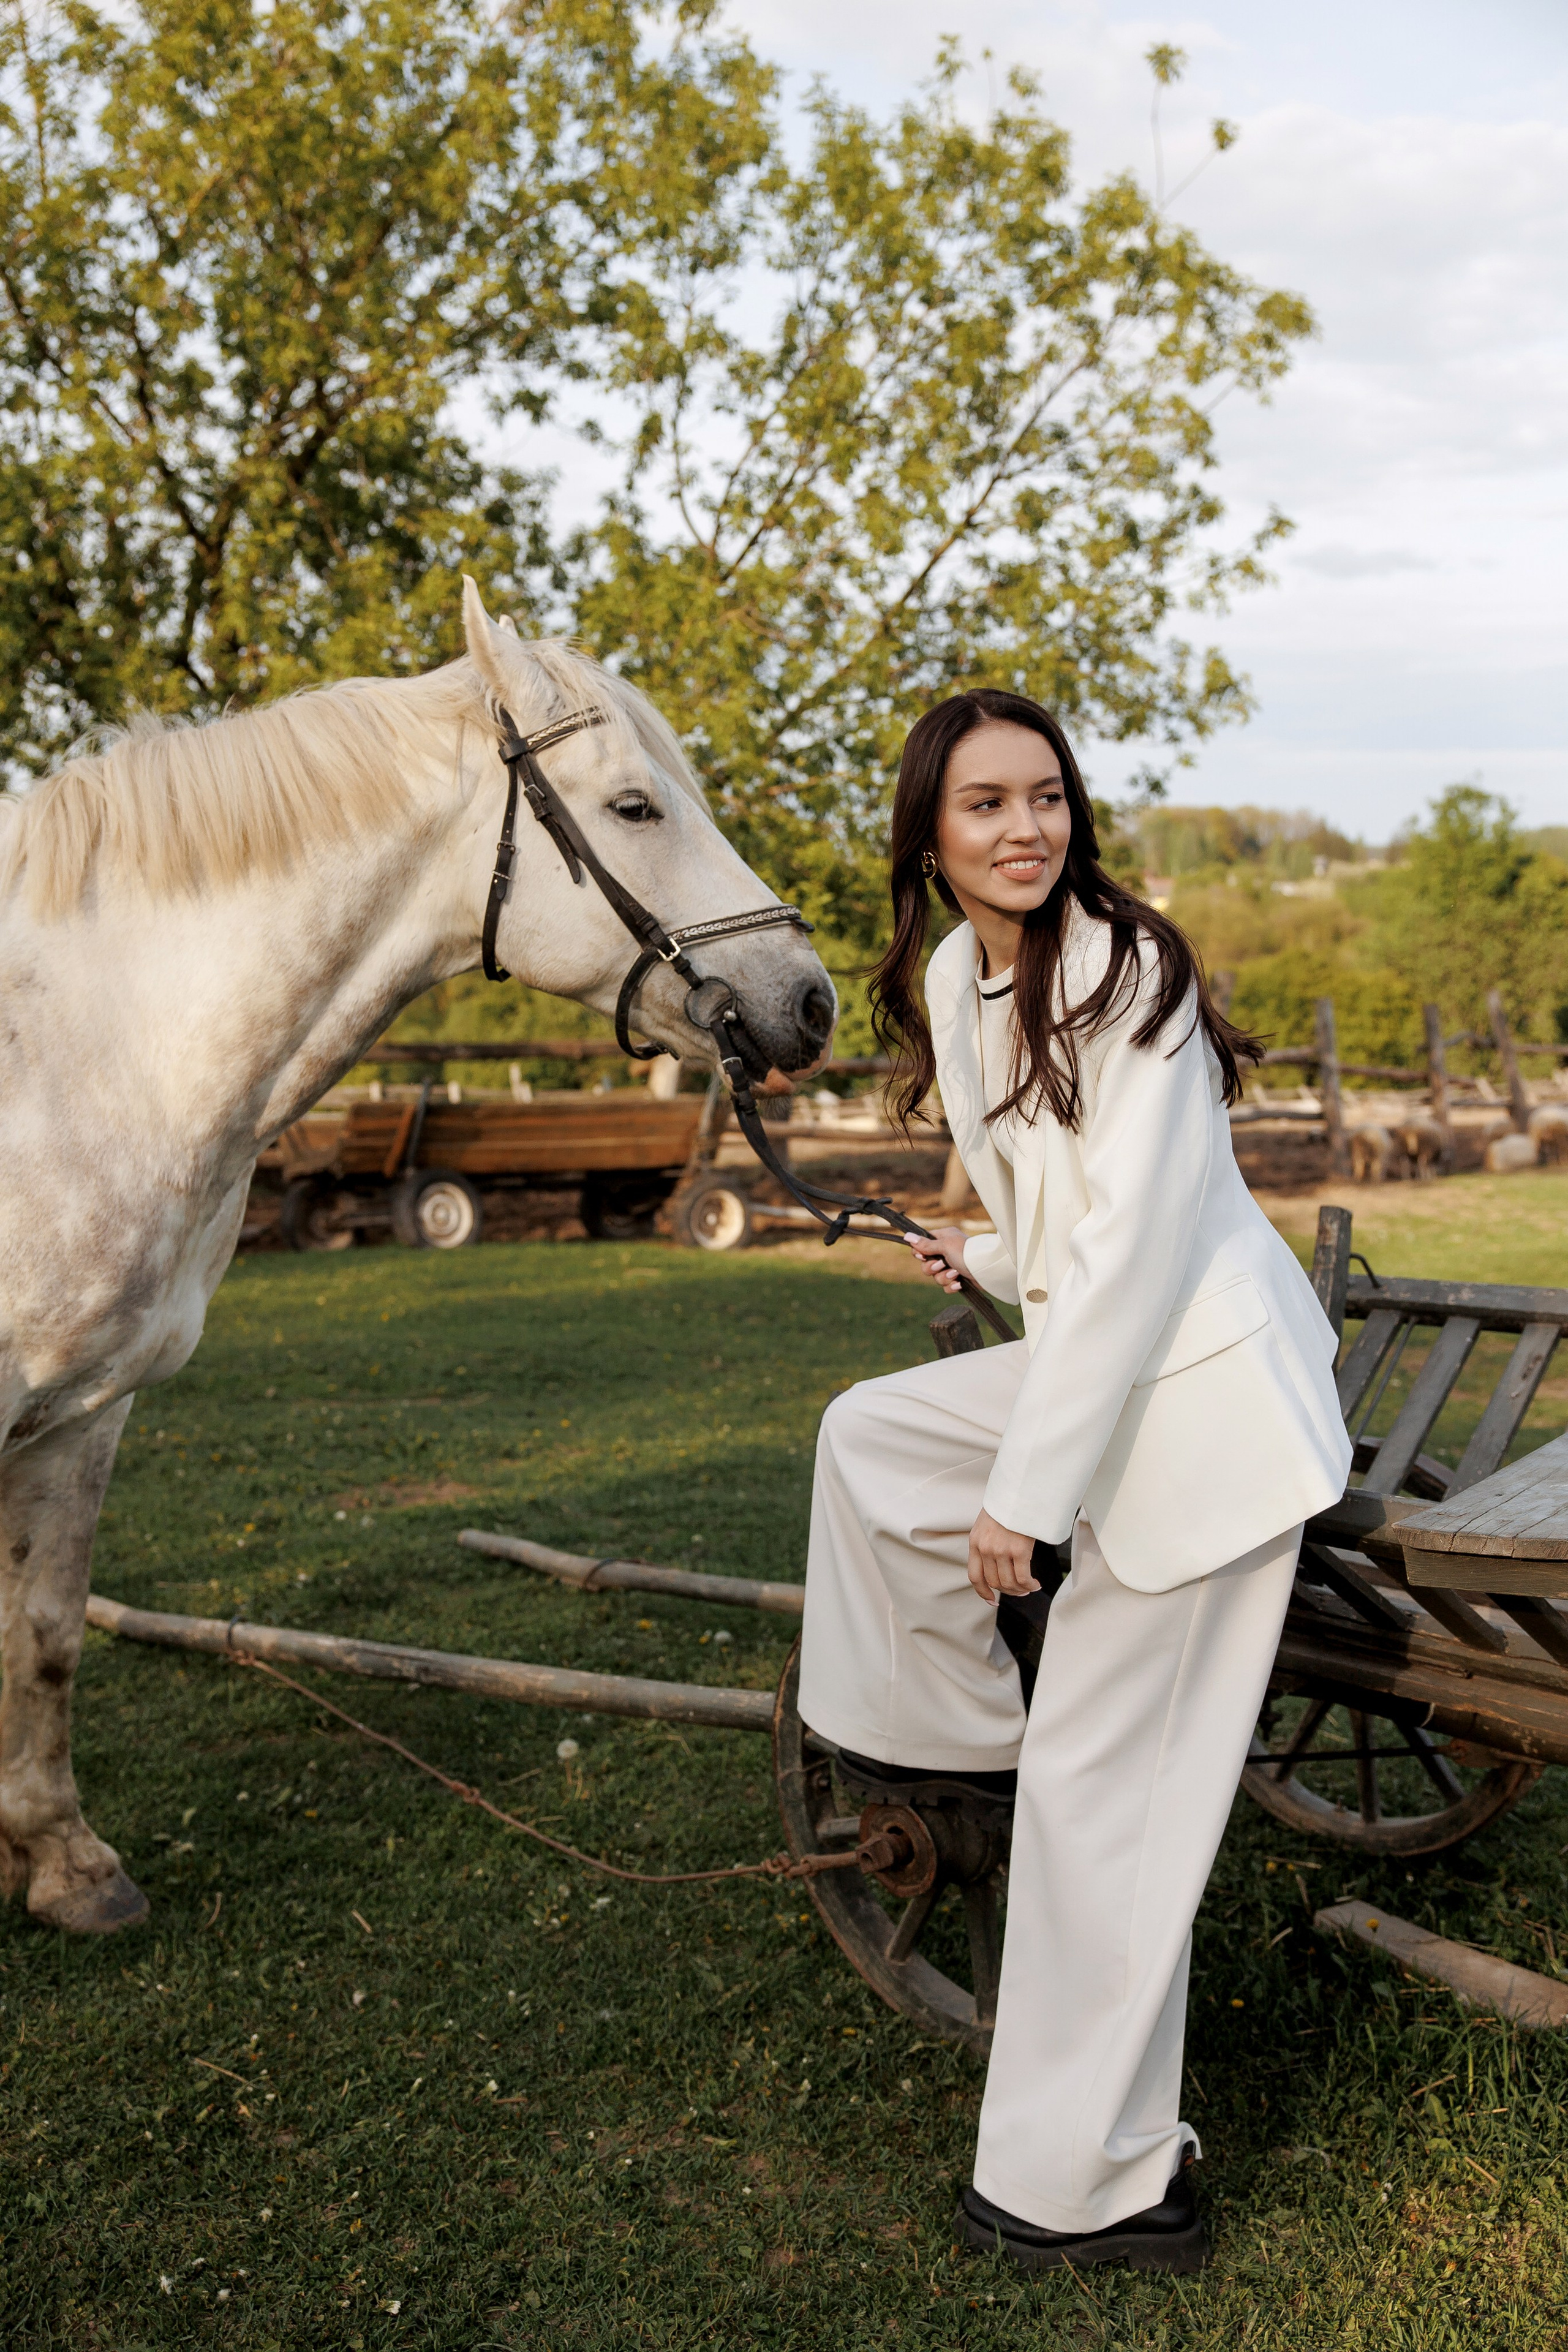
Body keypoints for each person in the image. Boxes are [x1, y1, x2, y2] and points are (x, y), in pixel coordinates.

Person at [797, 688, 1351, 2275]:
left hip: (1208, 1422)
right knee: (873, 1440)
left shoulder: (1133, 973)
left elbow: (1134, 1252)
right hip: (1124, 1367)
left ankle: (1094, 2191)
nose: (1025, 828)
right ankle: (962, 1742)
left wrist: (1025, 1503)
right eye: (986, 805)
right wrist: (971, 1249)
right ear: (932, 833)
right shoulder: (971, 977)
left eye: (1045, 797)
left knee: (1108, 1816)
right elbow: (1063, 1234)